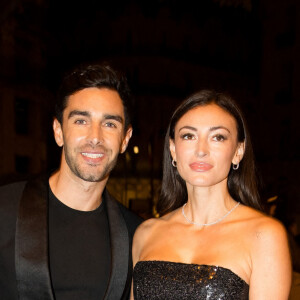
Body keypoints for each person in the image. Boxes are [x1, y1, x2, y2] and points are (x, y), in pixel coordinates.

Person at [0, 63, 143, 300]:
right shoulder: (4, 208)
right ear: (58, 131)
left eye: (109, 124)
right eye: (81, 121)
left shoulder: (135, 234)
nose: (95, 137)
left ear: (125, 139)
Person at [131, 90, 291, 299]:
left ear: (238, 151)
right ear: (172, 148)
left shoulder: (265, 235)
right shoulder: (146, 233)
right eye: (189, 136)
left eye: (218, 137)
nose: (201, 150)